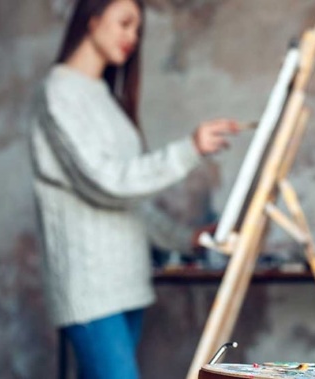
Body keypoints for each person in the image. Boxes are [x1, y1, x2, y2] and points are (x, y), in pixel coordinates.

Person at [28, 0, 238, 377]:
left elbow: (131, 205)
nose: (132, 37)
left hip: (128, 283)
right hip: (90, 290)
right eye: (124, 23)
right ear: (91, 21)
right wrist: (189, 149)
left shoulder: (107, 99)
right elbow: (107, 183)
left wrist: (185, 239)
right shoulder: (57, 93)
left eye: (138, 29)